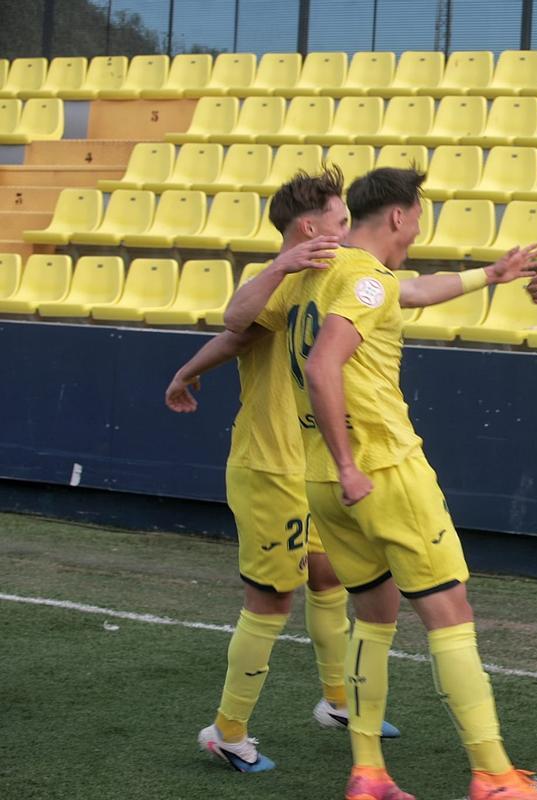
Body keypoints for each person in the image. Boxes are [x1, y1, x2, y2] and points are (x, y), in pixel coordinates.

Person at [245, 167, 537, 800]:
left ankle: (368, 773)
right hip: (381, 468)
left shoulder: (319, 273)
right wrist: (350, 463)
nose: (418, 227)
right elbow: (324, 365)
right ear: (398, 215)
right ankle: (494, 775)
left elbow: (409, 291)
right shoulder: (365, 279)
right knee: (451, 611)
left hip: (320, 480)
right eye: (417, 215)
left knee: (375, 614)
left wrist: (490, 274)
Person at [165, 168, 401, 774]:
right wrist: (281, 266)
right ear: (310, 228)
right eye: (341, 220)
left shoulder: (333, 278)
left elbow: (235, 340)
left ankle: (338, 700)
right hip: (268, 466)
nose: (349, 229)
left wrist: (187, 372)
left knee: (327, 575)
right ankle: (227, 730)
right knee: (271, 600)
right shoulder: (276, 279)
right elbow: (235, 324)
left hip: (308, 461)